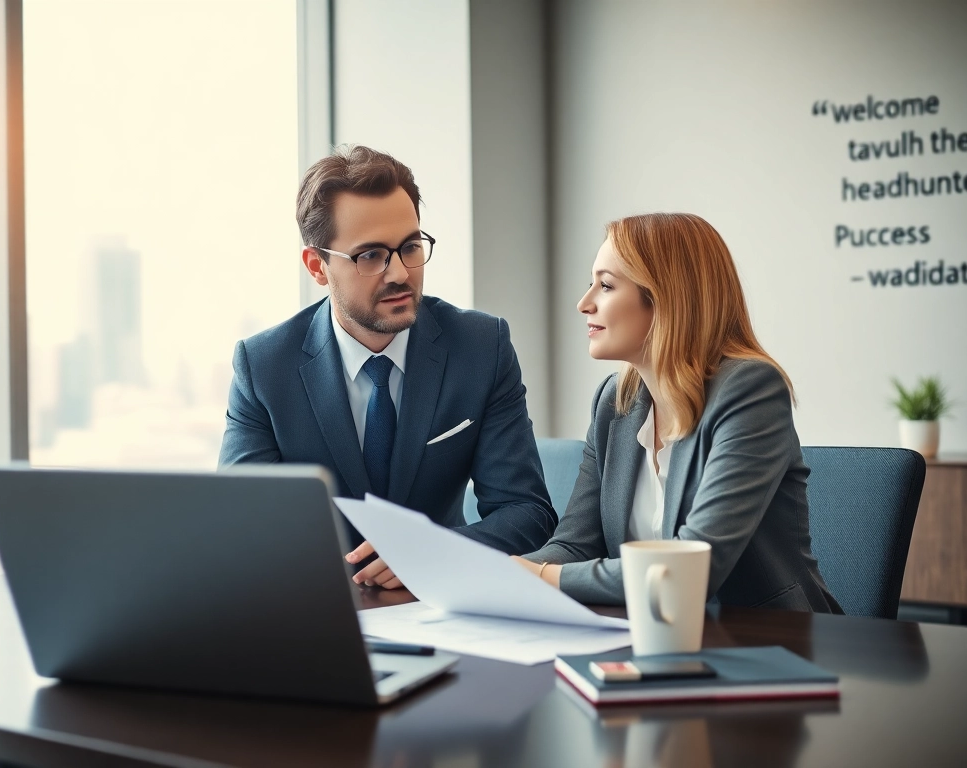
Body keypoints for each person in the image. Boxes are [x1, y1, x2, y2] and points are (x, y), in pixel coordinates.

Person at [220, 145, 555, 589]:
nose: (399, 273)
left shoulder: (480, 347)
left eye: (410, 247)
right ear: (317, 266)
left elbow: (528, 513)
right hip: (316, 604)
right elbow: (238, 528)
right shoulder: (264, 367)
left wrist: (430, 552)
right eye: (371, 255)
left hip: (438, 602)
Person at [514, 213, 842, 613]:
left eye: (606, 285)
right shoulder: (614, 401)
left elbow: (691, 570)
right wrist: (499, 574)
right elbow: (574, 545)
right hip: (653, 632)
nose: (584, 304)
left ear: (665, 298)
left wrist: (541, 577)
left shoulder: (751, 390)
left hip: (766, 636)